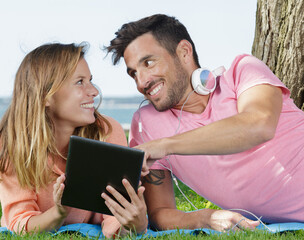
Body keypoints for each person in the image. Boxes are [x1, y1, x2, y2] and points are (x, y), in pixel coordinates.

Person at [105, 14, 304, 232]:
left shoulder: (243, 71)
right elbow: (159, 214)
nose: (142, 82)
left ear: (183, 52)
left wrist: (165, 145)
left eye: (149, 62)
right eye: (133, 73)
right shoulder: (147, 124)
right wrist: (207, 217)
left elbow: (258, 125)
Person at [0, 43, 148, 238]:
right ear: (45, 95)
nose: (94, 91)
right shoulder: (12, 145)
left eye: (90, 80)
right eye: (80, 82)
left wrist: (135, 225)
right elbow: (20, 224)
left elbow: (116, 219)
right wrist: (59, 212)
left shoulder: (107, 131)